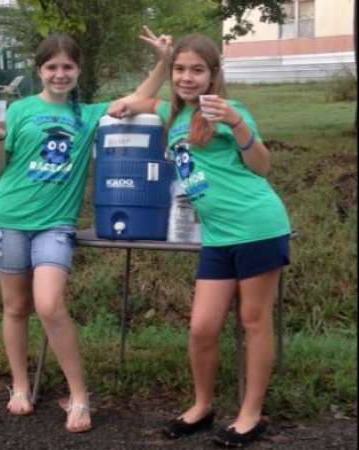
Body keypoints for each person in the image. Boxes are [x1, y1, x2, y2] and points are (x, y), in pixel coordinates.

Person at [0, 27, 172, 433]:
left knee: (49, 304)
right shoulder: (17, 111)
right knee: (16, 308)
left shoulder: (88, 115)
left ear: (78, 70)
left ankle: (80, 396)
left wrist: (163, 61)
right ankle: (19, 387)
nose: (59, 74)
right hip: (7, 218)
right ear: (40, 71)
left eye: (67, 66)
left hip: (54, 225)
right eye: (52, 66)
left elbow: (139, 96)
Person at [110, 33, 291, 447]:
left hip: (258, 226)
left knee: (254, 321)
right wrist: (161, 60)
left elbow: (262, 166)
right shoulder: (171, 116)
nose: (187, 78)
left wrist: (237, 123)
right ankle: (202, 406)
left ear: (213, 76)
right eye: (180, 70)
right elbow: (133, 101)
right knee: (202, 328)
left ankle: (251, 414)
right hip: (217, 237)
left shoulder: (231, 111)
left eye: (197, 70)